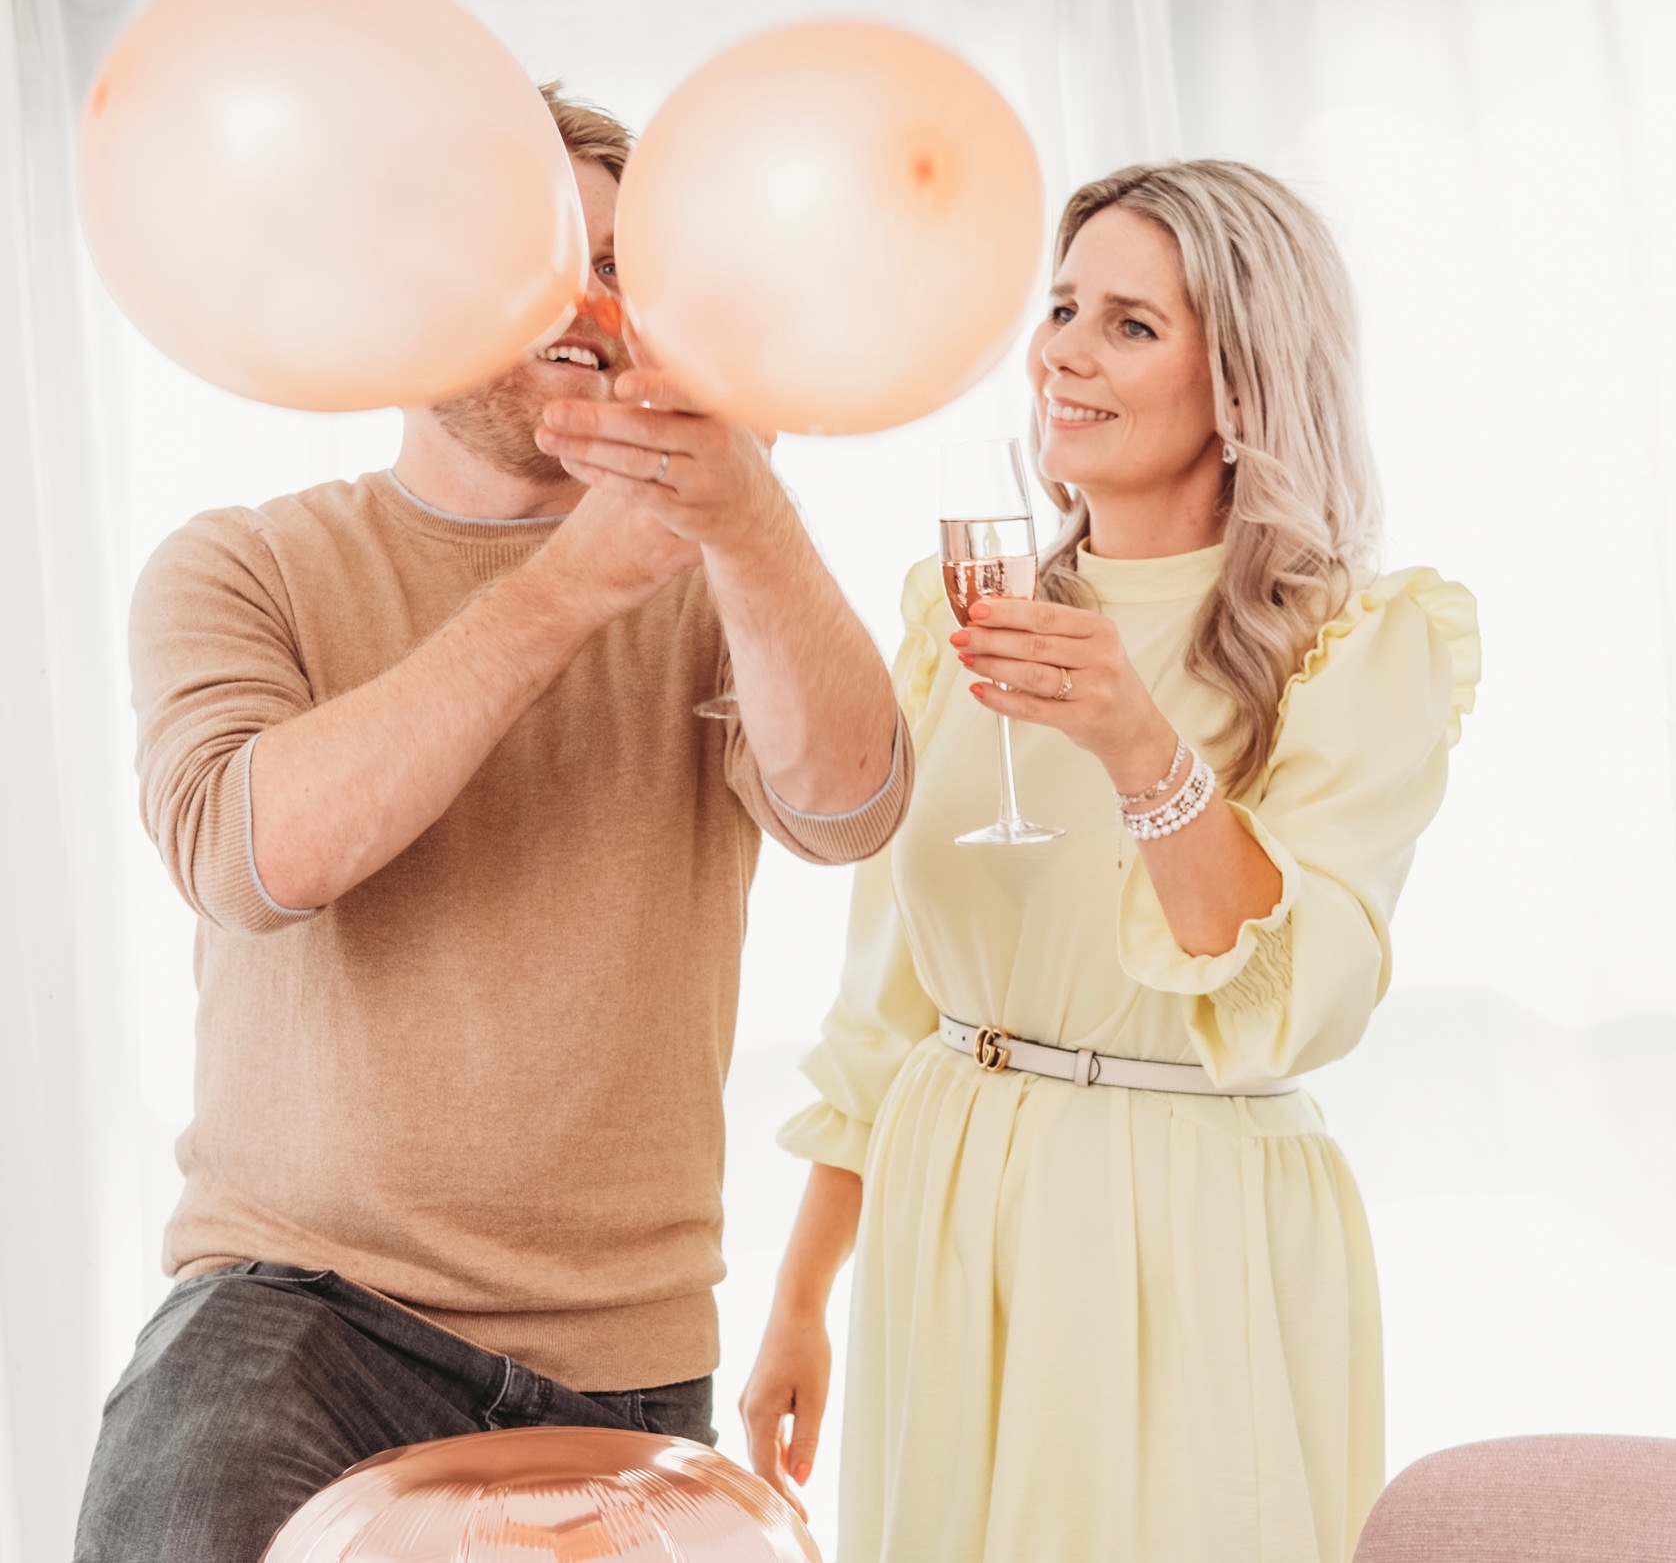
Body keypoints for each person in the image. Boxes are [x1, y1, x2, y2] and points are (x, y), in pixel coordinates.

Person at [74, 85, 909, 1563]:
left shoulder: (724, 575)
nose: (586, 305)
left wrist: (751, 525)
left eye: (618, 271)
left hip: (626, 1358)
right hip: (295, 1323)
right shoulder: (243, 566)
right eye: (536, 258)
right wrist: (577, 579)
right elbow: (252, 857)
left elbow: (851, 807)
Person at [743, 160, 1480, 1562]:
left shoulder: (1360, 645)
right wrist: (799, 1299)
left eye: (1130, 325)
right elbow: (884, 1001)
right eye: (1063, 306)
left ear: (1248, 383)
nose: (1063, 353)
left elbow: (1296, 1004)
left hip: (1182, 1217)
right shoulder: (965, 614)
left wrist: (1141, 746)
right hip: (945, 1201)